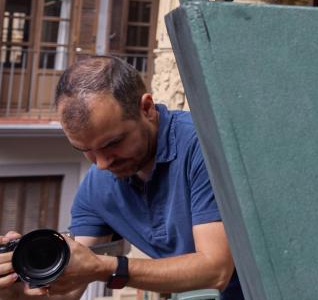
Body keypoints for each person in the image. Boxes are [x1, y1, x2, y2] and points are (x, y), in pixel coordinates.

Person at [0, 56, 240, 299]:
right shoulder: (96, 187)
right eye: (85, 150)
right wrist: (20, 288)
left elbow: (216, 270)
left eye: (112, 143)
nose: (103, 164)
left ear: (146, 108)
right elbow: (69, 292)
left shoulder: (202, 145)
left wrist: (104, 267)